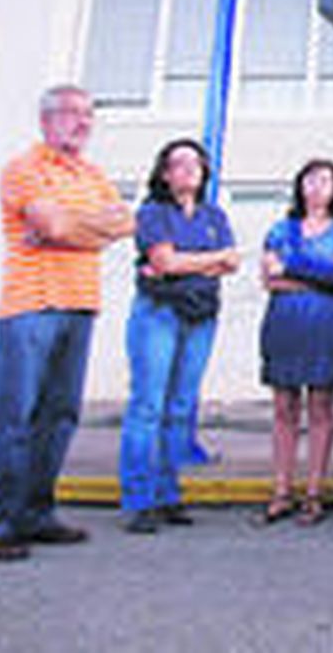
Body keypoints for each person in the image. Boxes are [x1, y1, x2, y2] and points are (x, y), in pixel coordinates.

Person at [0, 85, 134, 561]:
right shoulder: (24, 168)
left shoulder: (92, 173)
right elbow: (55, 226)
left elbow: (124, 223)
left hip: (80, 305)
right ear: (46, 120)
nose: (82, 123)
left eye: (88, 115)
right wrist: (80, 227)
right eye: (72, 114)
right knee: (11, 418)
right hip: (29, 307)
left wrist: (68, 225)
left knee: (58, 417)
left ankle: (34, 514)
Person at [119, 138, 240, 534]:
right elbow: (163, 261)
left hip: (201, 316)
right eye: (179, 164)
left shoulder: (214, 215)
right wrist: (206, 261)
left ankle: (168, 495)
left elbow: (232, 262)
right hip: (159, 314)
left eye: (195, 164)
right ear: (165, 173)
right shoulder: (153, 212)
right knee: (149, 405)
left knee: (181, 406)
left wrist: (181, 265)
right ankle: (139, 500)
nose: (189, 170)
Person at [258, 159, 333, 527]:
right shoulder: (279, 229)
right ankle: (281, 489)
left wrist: (292, 268)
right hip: (284, 324)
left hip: (326, 326)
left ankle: (314, 491)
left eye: (325, 180)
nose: (317, 186)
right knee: (284, 408)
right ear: (299, 185)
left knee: (321, 407)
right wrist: (313, 274)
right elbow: (269, 280)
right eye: (310, 179)